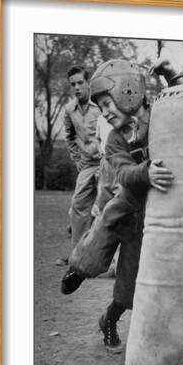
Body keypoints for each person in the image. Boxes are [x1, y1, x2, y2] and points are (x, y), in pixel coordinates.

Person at [61, 60, 174, 353]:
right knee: (97, 241)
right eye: (100, 106)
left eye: (108, 103)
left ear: (129, 92)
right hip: (125, 205)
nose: (105, 111)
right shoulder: (113, 139)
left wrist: (171, 75)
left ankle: (108, 320)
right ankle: (79, 268)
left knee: (127, 288)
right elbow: (124, 173)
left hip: (148, 221)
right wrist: (145, 172)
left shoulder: (160, 118)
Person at [62, 65, 101, 256]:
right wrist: (77, 159)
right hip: (86, 166)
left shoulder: (101, 104)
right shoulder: (69, 109)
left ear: (88, 83)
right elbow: (69, 137)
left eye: (80, 83)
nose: (77, 87)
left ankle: (107, 259)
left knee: (106, 207)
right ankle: (77, 257)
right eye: (73, 84)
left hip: (106, 164)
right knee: (78, 206)